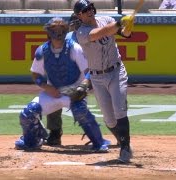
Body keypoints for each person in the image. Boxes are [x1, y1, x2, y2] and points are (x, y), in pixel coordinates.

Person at [14, 17, 109, 152]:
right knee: (27, 113)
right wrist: (47, 87)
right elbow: (35, 74)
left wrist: (83, 87)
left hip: (74, 91)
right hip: (53, 92)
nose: (58, 33)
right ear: (49, 32)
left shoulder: (75, 48)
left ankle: (99, 142)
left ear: (65, 31)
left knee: (80, 110)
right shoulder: (42, 51)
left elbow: (89, 72)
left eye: (61, 30)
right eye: (54, 30)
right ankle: (32, 141)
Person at [73, 0, 135, 163]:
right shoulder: (81, 32)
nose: (89, 11)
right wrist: (119, 23)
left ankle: (125, 147)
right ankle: (122, 140)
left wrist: (127, 27)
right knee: (109, 119)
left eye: (90, 8)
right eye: (85, 10)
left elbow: (124, 34)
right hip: (97, 77)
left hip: (116, 71)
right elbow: (99, 34)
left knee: (120, 110)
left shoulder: (107, 20)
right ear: (79, 15)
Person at [44, 13, 83, 146]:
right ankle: (55, 133)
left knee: (84, 106)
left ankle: (96, 133)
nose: (77, 25)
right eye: (74, 23)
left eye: (79, 22)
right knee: (53, 101)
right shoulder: (64, 38)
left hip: (86, 76)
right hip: (64, 76)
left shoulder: (92, 33)